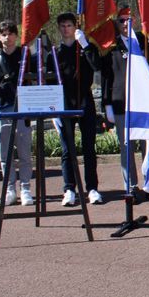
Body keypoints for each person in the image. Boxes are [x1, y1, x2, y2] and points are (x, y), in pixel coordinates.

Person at [47, 13, 102, 206]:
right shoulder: (53, 53)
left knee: (89, 148)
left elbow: (97, 66)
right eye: (62, 26)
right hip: (64, 105)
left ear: (75, 27)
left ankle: (92, 188)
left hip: (85, 102)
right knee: (67, 150)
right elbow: (50, 82)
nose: (65, 29)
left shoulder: (86, 47)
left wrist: (85, 44)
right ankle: (69, 189)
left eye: (69, 25)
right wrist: (53, 110)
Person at [0, 21, 35, 206]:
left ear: (16, 35)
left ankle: (26, 189)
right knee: (5, 156)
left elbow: (38, 77)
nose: (8, 37)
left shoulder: (26, 56)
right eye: (4, 34)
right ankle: (10, 190)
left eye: (11, 33)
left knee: (25, 153)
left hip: (22, 111)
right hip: (1, 111)